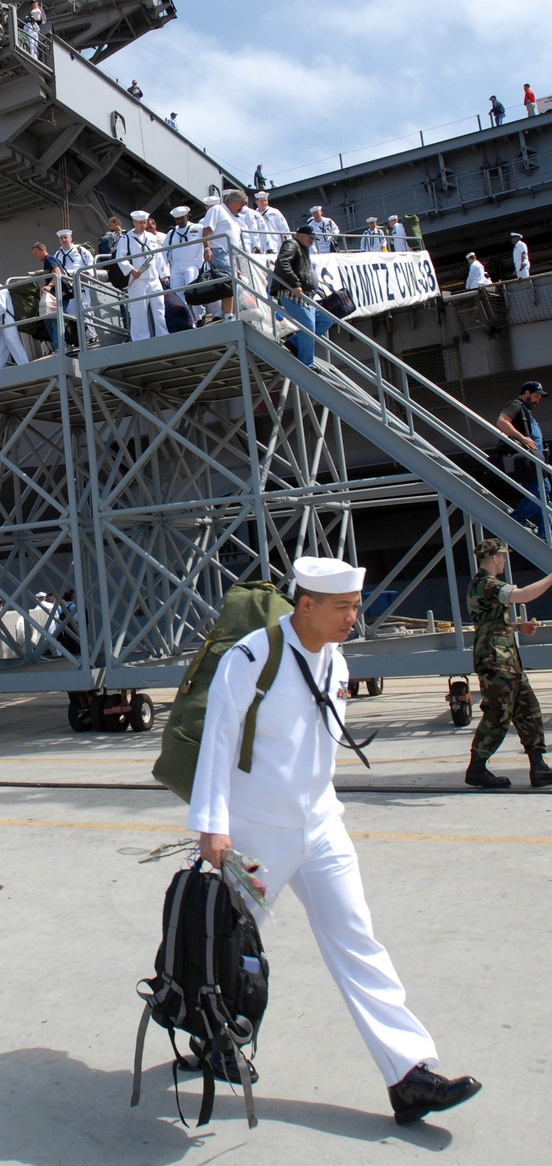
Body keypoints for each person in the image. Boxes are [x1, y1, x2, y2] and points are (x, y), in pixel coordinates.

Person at [189, 556, 482, 1126]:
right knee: (227, 944)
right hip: (255, 834)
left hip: (321, 828)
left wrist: (322, 813)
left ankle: (409, 1074)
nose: (354, 617)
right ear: (307, 606)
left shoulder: (337, 660)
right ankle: (211, 1037)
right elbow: (217, 741)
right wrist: (212, 826)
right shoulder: (249, 658)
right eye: (344, 607)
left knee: (357, 939)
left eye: (355, 605)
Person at [464, 538, 552, 789]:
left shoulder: (480, 586)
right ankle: (477, 769)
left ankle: (539, 768)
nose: (504, 561)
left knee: (529, 710)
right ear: (494, 558)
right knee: (497, 715)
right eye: (502, 557)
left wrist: (517, 627)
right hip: (496, 661)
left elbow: (489, 622)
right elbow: (522, 596)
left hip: (507, 660)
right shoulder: (488, 584)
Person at [271, 225, 334, 366]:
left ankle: (294, 342)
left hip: (306, 297)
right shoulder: (291, 244)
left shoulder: (303, 248)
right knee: (308, 327)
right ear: (300, 235)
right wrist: (294, 284)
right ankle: (306, 363)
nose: (312, 241)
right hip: (292, 295)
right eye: (310, 238)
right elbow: (282, 262)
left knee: (326, 319)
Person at [497, 378, 550, 527]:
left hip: (536, 461)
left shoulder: (527, 413)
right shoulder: (516, 405)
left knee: (544, 493)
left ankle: (545, 532)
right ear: (527, 393)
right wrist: (522, 438)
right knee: (540, 492)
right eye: (536, 396)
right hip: (528, 461)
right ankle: (516, 519)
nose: (538, 400)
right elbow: (502, 421)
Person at [116, 211, 168, 341]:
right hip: (138, 280)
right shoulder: (126, 238)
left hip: (153, 277)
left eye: (145, 223)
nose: (143, 225)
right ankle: (141, 338)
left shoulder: (151, 237)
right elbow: (120, 258)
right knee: (139, 312)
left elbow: (158, 256)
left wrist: (164, 274)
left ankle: (163, 334)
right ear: (134, 222)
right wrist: (131, 270)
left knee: (159, 308)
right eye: (140, 223)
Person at [202, 189, 248, 320]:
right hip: (219, 252)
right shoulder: (217, 210)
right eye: (241, 204)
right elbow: (207, 230)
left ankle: (229, 313)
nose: (242, 208)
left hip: (230, 255)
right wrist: (207, 249)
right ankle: (228, 315)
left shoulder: (232, 217)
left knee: (231, 283)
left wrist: (237, 266)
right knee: (228, 283)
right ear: (232, 201)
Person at [50, 230, 95, 346]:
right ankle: (78, 338)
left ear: (70, 238)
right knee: (70, 312)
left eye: (66, 237)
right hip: (68, 286)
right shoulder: (57, 255)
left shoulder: (80, 250)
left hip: (81, 282)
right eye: (62, 238)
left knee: (85, 309)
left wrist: (86, 274)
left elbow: (90, 263)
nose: (64, 240)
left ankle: (91, 335)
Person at [0, 271, 30, 368]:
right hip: (4, 325)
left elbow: (1, 308)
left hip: (8, 323)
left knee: (15, 345)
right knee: (0, 351)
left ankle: (26, 367)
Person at [163, 206, 207, 306]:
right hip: (176, 268)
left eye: (181, 218)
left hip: (192, 265)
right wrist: (164, 272)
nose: (179, 221)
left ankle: (199, 316)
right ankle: (185, 318)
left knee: (193, 291)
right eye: (177, 219)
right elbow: (165, 253)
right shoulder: (172, 233)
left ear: (187, 216)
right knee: (177, 296)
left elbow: (207, 241)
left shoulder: (198, 228)